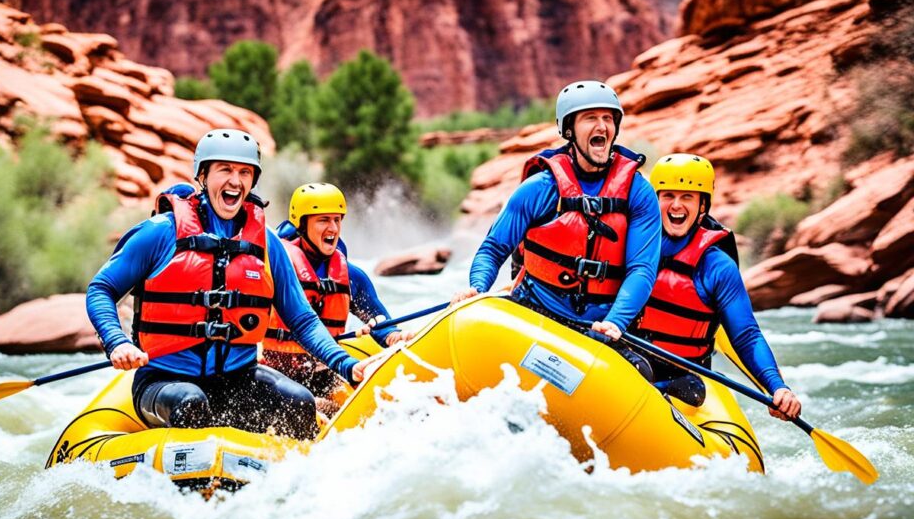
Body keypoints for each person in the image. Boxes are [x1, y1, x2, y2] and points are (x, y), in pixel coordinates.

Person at [86, 128, 378, 439]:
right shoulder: (159, 233)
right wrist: (116, 341)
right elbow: (102, 288)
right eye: (224, 170)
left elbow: (302, 320)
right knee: (191, 403)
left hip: (238, 378)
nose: (235, 181)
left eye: (244, 172)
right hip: (164, 380)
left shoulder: (267, 245)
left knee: (300, 402)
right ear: (203, 175)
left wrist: (346, 365)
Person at [452, 80, 661, 364]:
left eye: (608, 119)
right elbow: (493, 249)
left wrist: (615, 322)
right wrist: (477, 288)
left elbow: (642, 270)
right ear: (569, 130)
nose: (602, 127)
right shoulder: (539, 188)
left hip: (600, 327)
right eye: (591, 118)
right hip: (536, 311)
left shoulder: (639, 192)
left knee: (646, 372)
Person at [632, 153, 801, 419]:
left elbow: (746, 335)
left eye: (687, 196)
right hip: (624, 358)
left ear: (702, 206)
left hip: (680, 378)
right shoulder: (631, 242)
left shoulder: (717, 267)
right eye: (668, 196)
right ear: (655, 200)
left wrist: (778, 387)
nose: (676, 205)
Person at [263, 183, 414, 414]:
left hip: (325, 373)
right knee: (320, 408)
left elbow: (379, 322)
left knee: (377, 407)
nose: (333, 227)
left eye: (337, 219)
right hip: (276, 375)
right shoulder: (277, 267)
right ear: (302, 224)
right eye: (323, 220)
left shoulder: (351, 276)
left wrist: (395, 337)